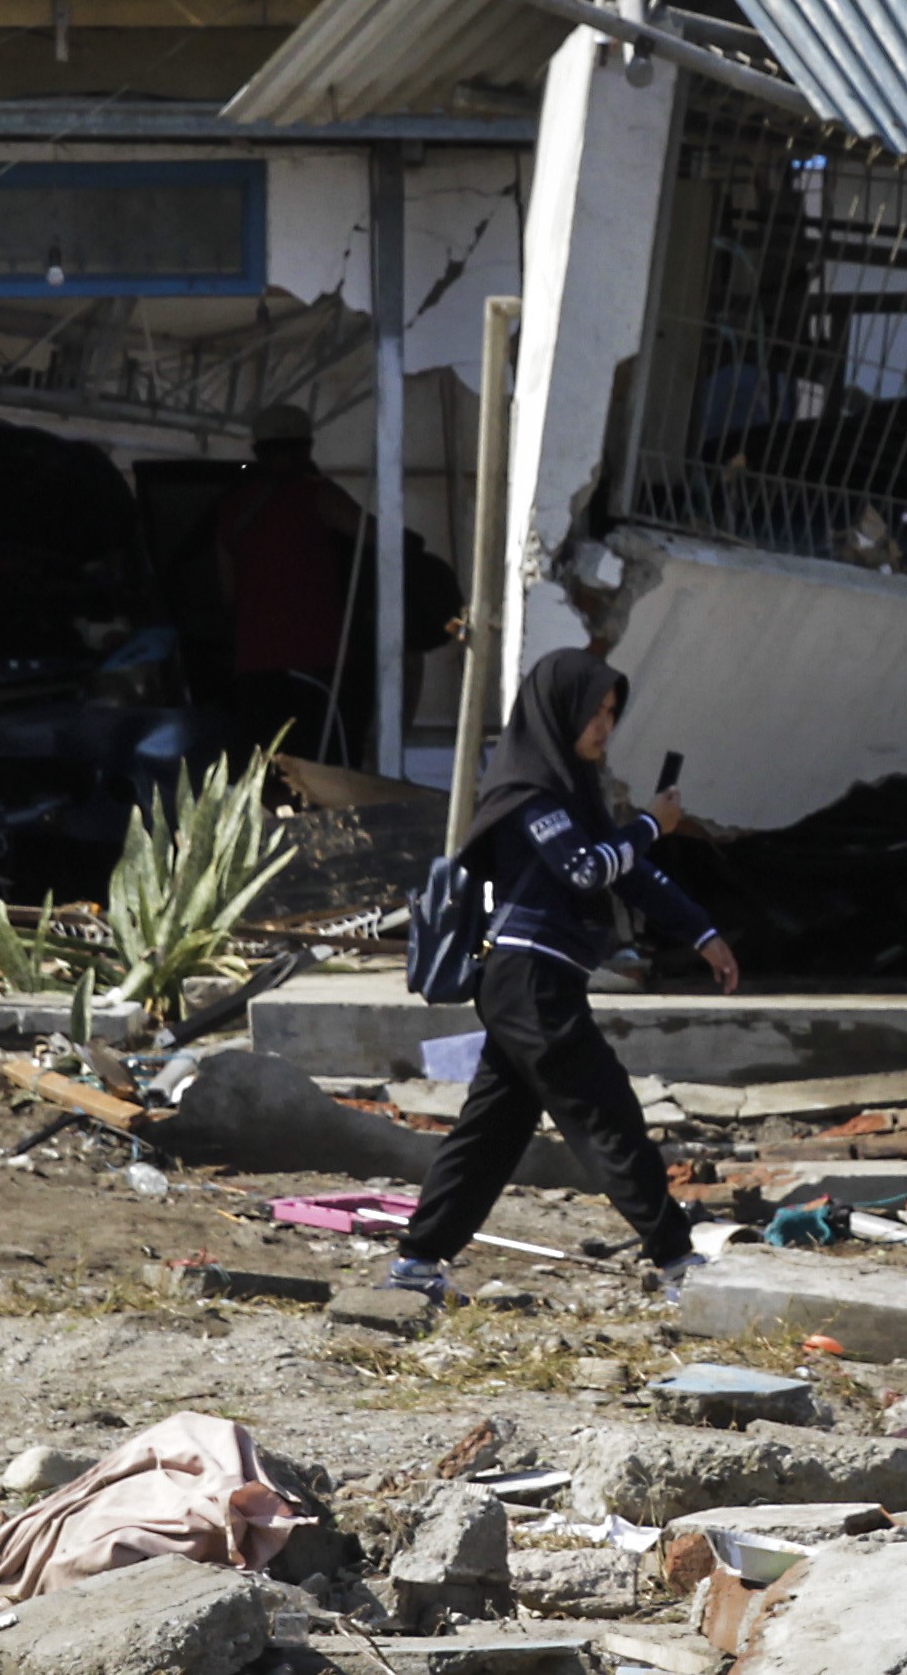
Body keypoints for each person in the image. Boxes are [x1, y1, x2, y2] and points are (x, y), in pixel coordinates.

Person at [388, 646, 740, 1296]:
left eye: (612, 713)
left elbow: (626, 872)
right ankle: (675, 1260)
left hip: (535, 984)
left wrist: (702, 931)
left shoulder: (573, 791)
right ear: (558, 712)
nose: (604, 727)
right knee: (606, 1112)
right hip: (529, 982)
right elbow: (585, 867)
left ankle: (416, 1263)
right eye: (593, 713)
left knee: (491, 1132)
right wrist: (649, 827)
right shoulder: (529, 791)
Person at [213, 404, 362, 768]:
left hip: (254, 667)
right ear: (307, 448)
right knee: (323, 772)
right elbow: (381, 542)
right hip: (314, 663)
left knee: (263, 775)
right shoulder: (321, 496)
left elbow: (227, 591)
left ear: (257, 450)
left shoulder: (232, 509)